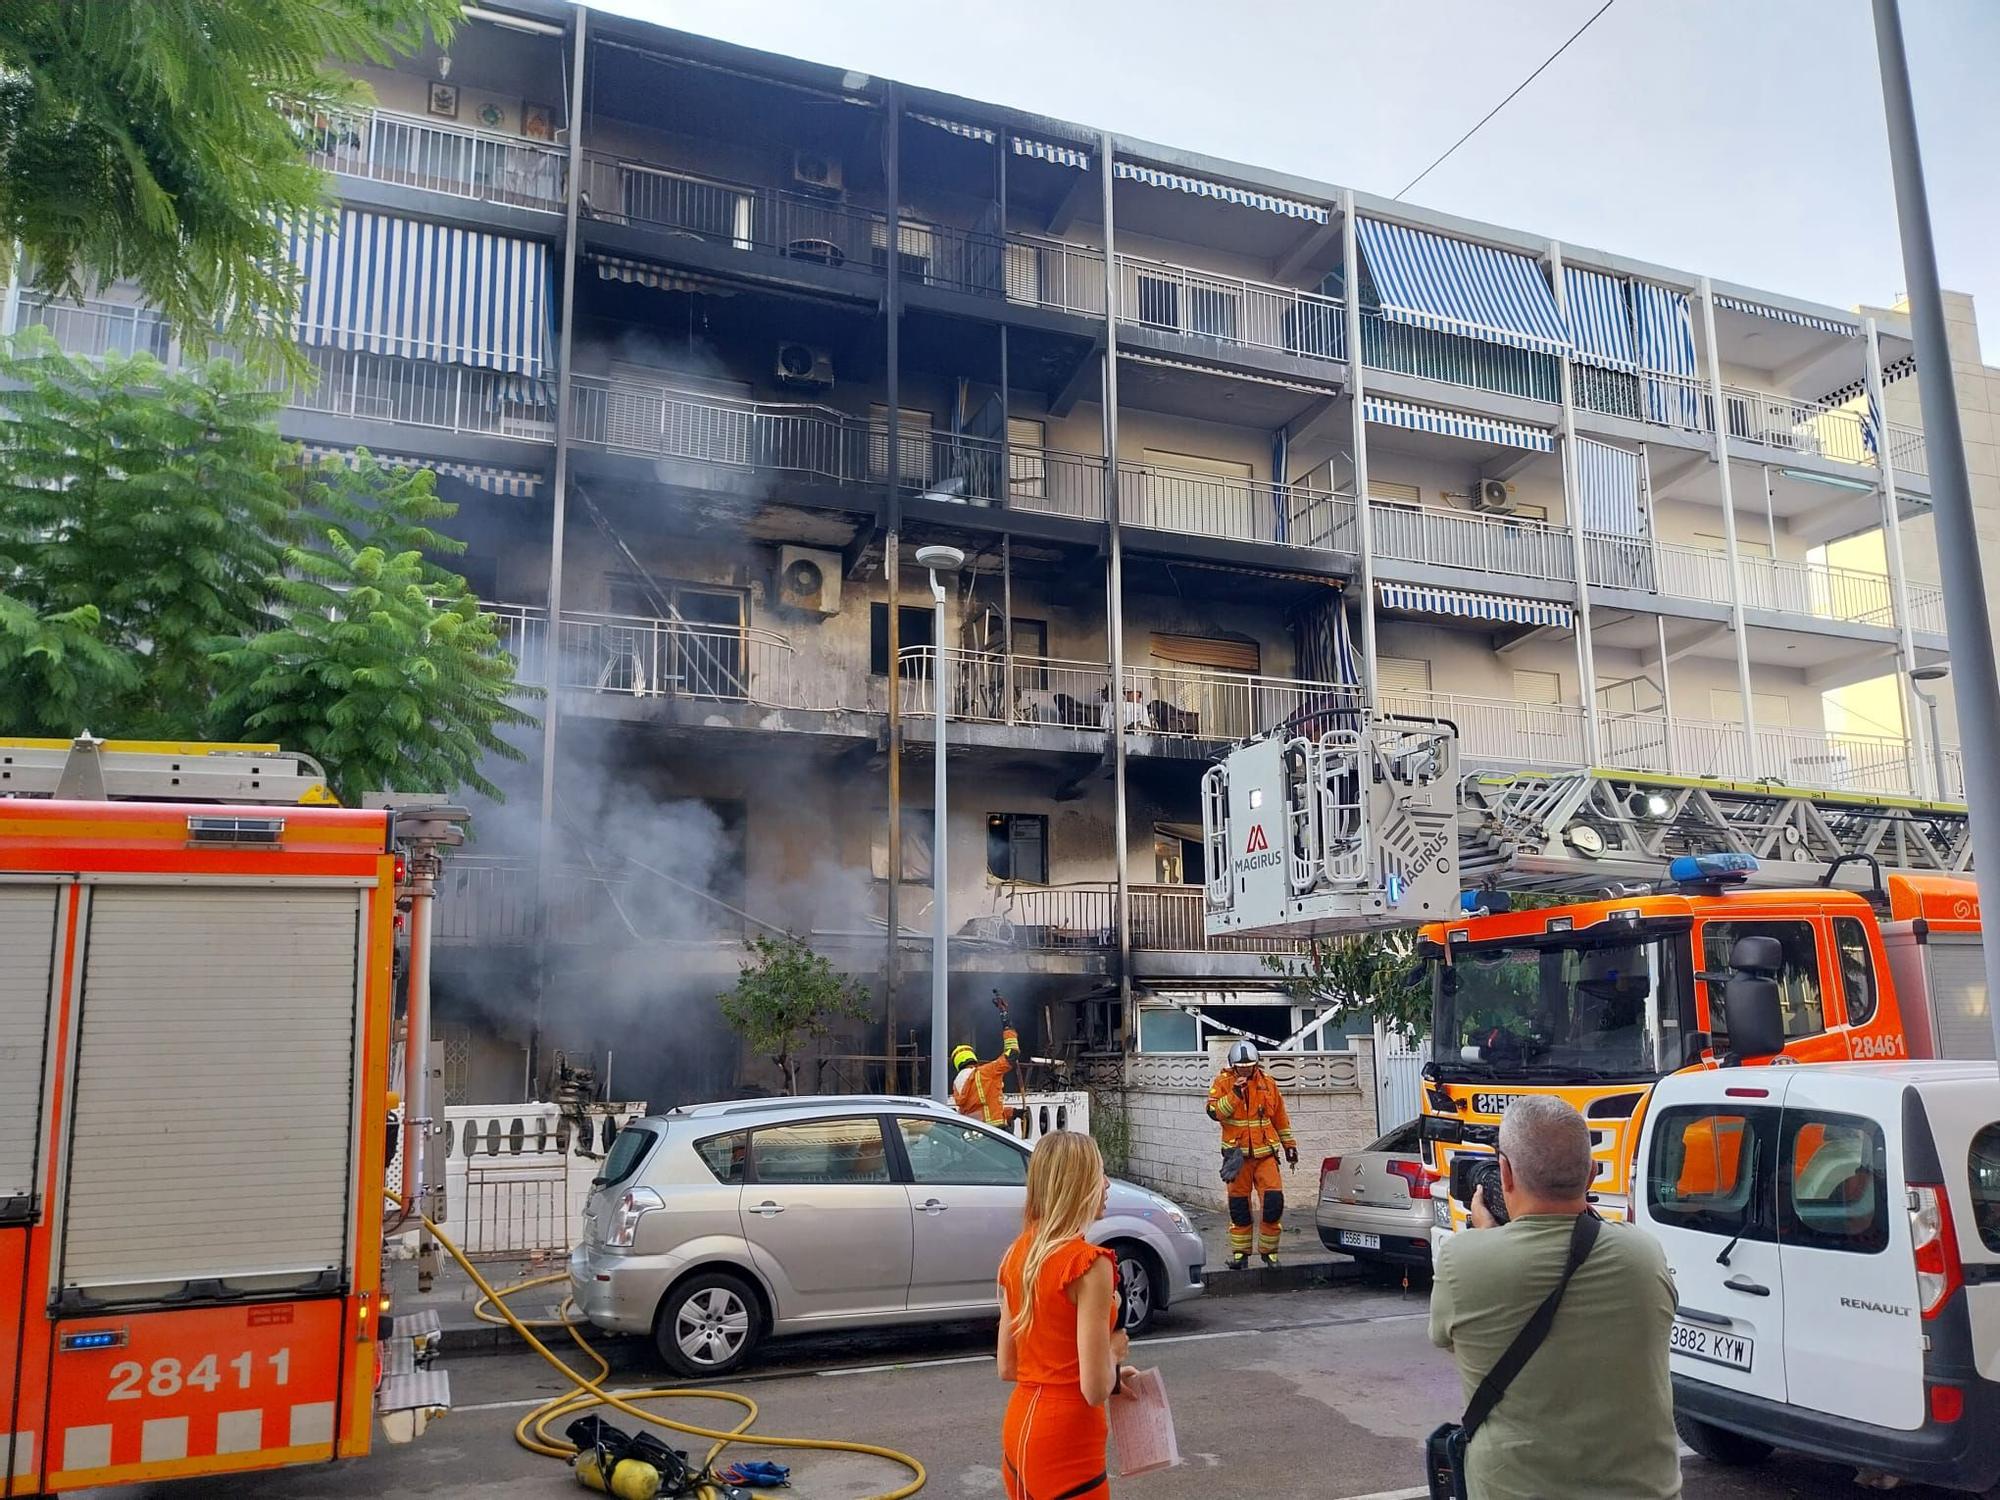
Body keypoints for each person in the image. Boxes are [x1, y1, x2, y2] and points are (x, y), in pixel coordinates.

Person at [1428, 1095, 1681, 1500]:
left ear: (1505, 1173)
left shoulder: (1463, 1260)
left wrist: (1489, 1237)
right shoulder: (1643, 1254)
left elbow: (1448, 1340)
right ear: (1593, 1174)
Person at [997, 1132, 1135, 1500]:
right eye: (1098, 1174)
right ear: (1077, 1185)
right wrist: (1114, 1353)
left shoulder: (1018, 1254)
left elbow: (1008, 1366)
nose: (1106, 1185)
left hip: (1021, 1431)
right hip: (1068, 1443)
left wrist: (1113, 1377)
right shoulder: (1089, 1263)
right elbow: (1092, 1390)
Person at [1205, 1040, 1296, 1269]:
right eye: (1241, 1066)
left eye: (1250, 1065)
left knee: (1273, 1203)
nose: (1245, 1069)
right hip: (1237, 1157)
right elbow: (1215, 1112)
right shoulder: (1222, 1083)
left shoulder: (1268, 1083)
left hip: (1266, 1154)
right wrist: (1235, 1094)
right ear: (1233, 1066)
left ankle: (1270, 1253)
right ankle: (1240, 1255)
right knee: (1239, 1207)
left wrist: (1289, 1145)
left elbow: (1280, 1118)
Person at [953, 1023, 1021, 1126]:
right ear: (973, 1057)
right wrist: (1008, 1027)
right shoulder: (985, 1072)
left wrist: (1010, 1113)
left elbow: (979, 1111)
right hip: (995, 1132)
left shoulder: (957, 1085)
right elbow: (1012, 1054)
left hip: (977, 1132)